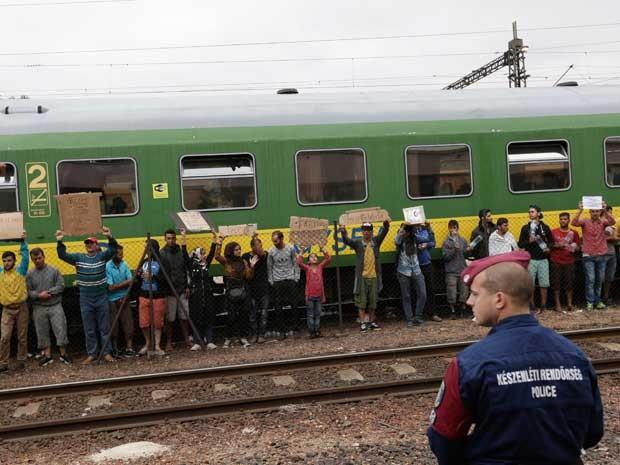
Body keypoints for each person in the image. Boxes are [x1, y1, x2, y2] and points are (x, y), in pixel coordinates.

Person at [427, 251, 604, 465]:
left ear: (499, 299)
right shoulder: (576, 357)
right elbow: (592, 432)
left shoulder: (469, 363)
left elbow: (444, 438)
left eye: (475, 294)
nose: (468, 301)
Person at [56, 227, 117, 364]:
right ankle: (92, 354)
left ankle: (106, 353)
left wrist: (109, 237)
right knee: (89, 329)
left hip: (101, 297)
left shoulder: (102, 257)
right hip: (85, 298)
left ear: (97, 246)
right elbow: (62, 255)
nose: (89, 245)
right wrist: (60, 242)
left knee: (104, 328)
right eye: (87, 243)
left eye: (92, 243)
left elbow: (113, 249)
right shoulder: (78, 258)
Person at [340, 220, 390, 332]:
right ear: (362, 232)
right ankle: (363, 323)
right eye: (364, 230)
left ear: (372, 232)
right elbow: (347, 241)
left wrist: (386, 224)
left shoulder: (376, 242)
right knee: (361, 302)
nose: (366, 232)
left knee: (373, 301)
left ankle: (371, 322)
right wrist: (343, 231)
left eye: (368, 230)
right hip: (362, 277)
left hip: (374, 276)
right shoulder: (358, 243)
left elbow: (384, 232)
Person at [26, 247, 71, 366]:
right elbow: (28, 291)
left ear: (44, 257)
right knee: (42, 332)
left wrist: (49, 293)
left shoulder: (54, 270)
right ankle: (47, 356)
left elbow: (61, 285)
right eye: (35, 259)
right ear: (32, 260)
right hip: (38, 307)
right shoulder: (29, 274)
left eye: (39, 258)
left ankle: (63, 354)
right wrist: (39, 295)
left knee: (60, 329)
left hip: (55, 305)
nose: (37, 261)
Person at [572, 200, 616, 310]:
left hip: (601, 254)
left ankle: (598, 301)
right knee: (591, 279)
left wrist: (605, 209)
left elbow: (613, 221)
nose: (595, 213)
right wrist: (580, 209)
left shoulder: (603, 222)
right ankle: (590, 302)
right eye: (593, 211)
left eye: (597, 211)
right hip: (588, 254)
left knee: (599, 279)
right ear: (590, 212)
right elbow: (574, 222)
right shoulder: (585, 221)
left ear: (599, 211)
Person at [215, 237, 258, 348]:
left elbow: (249, 276)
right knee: (231, 317)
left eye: (239, 249)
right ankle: (228, 338)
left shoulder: (243, 261)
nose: (239, 251)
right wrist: (219, 243)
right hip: (231, 292)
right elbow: (217, 256)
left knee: (244, 315)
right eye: (236, 249)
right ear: (230, 251)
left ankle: (243, 338)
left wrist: (252, 266)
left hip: (242, 291)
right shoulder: (227, 262)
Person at [0, 232, 29, 373]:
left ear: (14, 261)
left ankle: (22, 361)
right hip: (7, 310)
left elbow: (25, 256)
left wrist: (22, 240)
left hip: (21, 308)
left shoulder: (21, 270)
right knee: (4, 337)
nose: (7, 263)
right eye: (4, 261)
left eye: (9, 260)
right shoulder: (0, 273)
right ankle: (3, 363)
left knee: (22, 337)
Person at [159, 228, 192, 352]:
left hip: (182, 289)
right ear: (165, 239)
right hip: (169, 291)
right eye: (169, 238)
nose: (171, 240)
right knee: (170, 319)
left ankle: (187, 340)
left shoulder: (181, 252)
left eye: (173, 238)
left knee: (184, 317)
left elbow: (186, 269)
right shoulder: (162, 253)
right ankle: (168, 342)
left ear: (175, 238)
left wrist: (188, 286)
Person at [518, 205, 553, 313]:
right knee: (531, 284)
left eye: (532, 212)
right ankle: (532, 307)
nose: (530, 214)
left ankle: (543, 306)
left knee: (544, 284)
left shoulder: (545, 227)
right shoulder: (525, 228)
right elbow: (520, 244)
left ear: (538, 213)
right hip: (531, 259)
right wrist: (529, 241)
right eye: (529, 212)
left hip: (543, 259)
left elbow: (552, 241)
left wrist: (548, 248)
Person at [267, 231, 300, 339]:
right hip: (278, 281)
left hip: (290, 279)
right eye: (273, 241)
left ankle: (295, 327)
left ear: (281, 239)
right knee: (278, 306)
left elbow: (295, 263)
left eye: (276, 241)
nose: (274, 243)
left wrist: (296, 277)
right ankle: (282, 330)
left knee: (294, 304)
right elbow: (269, 266)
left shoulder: (290, 248)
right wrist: (271, 280)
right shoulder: (271, 251)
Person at [136, 239, 166, 355]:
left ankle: (157, 345)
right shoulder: (144, 261)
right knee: (144, 322)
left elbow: (166, 279)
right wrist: (139, 275)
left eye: (147, 248)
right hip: (144, 294)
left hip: (158, 295)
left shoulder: (162, 261)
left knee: (157, 322)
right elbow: (138, 277)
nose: (146, 250)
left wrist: (153, 276)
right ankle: (148, 342)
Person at [106, 244, 135, 357]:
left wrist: (123, 286)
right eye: (119, 254)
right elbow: (110, 287)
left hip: (124, 297)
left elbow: (131, 282)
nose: (121, 256)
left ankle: (129, 347)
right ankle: (114, 348)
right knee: (114, 325)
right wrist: (126, 282)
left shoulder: (124, 264)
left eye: (122, 254)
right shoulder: (107, 266)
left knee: (128, 323)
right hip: (112, 300)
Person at [188, 238, 217, 350]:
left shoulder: (206, 265)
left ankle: (209, 340)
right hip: (196, 296)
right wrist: (185, 240)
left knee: (208, 316)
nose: (204, 255)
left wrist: (214, 241)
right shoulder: (192, 265)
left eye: (204, 253)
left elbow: (211, 253)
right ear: (197, 255)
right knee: (196, 317)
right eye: (202, 253)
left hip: (207, 294)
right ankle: (197, 342)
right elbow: (186, 256)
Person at [395, 223, 426, 327]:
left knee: (422, 293)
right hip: (404, 271)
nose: (408, 233)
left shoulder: (416, 239)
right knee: (406, 296)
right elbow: (396, 240)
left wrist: (428, 227)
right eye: (407, 231)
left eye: (409, 231)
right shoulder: (401, 240)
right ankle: (409, 319)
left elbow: (426, 238)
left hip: (416, 270)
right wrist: (402, 228)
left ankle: (418, 316)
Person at [296, 247, 331, 338]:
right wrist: (302, 252)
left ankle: (317, 330)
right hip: (310, 296)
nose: (314, 257)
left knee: (318, 314)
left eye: (315, 256)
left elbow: (328, 259)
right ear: (308, 261)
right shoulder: (307, 269)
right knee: (311, 314)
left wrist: (323, 249)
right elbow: (299, 263)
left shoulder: (320, 267)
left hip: (319, 295)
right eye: (311, 257)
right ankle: (312, 331)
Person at [550, 212, 581, 312]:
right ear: (559, 220)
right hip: (556, 260)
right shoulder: (553, 232)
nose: (563, 221)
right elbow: (548, 245)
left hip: (569, 261)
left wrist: (575, 248)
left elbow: (578, 247)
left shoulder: (574, 233)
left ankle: (569, 303)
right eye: (561, 219)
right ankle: (557, 304)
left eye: (565, 219)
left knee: (569, 283)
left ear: (568, 220)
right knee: (556, 283)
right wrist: (557, 246)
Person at [243, 234, 270, 343]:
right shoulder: (245, 257)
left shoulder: (264, 255)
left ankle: (262, 334)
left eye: (260, 245)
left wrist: (254, 239)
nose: (260, 247)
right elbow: (248, 275)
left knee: (264, 314)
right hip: (251, 289)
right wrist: (252, 266)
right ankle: (254, 334)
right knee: (252, 314)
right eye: (257, 245)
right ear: (252, 247)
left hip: (264, 289)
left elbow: (260, 252)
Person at [441, 220, 469, 319]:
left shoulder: (463, 240)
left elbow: (466, 254)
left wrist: (468, 250)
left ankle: (463, 310)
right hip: (451, 270)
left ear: (458, 228)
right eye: (451, 227)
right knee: (451, 292)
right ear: (449, 229)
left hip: (462, 268)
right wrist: (454, 250)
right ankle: (452, 311)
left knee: (464, 291)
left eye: (455, 227)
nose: (453, 230)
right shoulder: (446, 242)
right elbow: (445, 257)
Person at [415, 222, 441, 322]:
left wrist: (426, 244)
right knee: (418, 291)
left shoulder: (425, 230)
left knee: (430, 289)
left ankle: (433, 313)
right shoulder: (411, 232)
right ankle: (419, 314)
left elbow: (433, 243)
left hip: (427, 263)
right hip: (416, 265)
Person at [602, 205, 618, 305]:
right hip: (602, 254)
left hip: (611, 253)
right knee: (601, 278)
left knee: (609, 277)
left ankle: (606, 297)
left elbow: (615, 239)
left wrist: (612, 238)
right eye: (609, 212)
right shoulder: (600, 224)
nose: (610, 214)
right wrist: (612, 238)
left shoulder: (612, 226)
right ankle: (599, 298)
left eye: (611, 213)